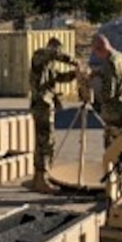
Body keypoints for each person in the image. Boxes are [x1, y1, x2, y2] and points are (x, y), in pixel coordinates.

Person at [26, 37, 79, 193]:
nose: (57, 54)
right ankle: (41, 178)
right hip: (41, 106)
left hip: (46, 106)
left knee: (45, 141)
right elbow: (55, 55)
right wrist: (74, 61)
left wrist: (75, 73)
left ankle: (40, 177)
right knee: (45, 142)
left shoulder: (48, 67)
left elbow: (61, 77)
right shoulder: (39, 56)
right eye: (57, 50)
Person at [91, 33, 122, 147]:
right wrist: (97, 73)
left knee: (114, 150)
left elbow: (109, 93)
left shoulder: (110, 63)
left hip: (117, 113)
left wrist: (96, 103)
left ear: (99, 49)